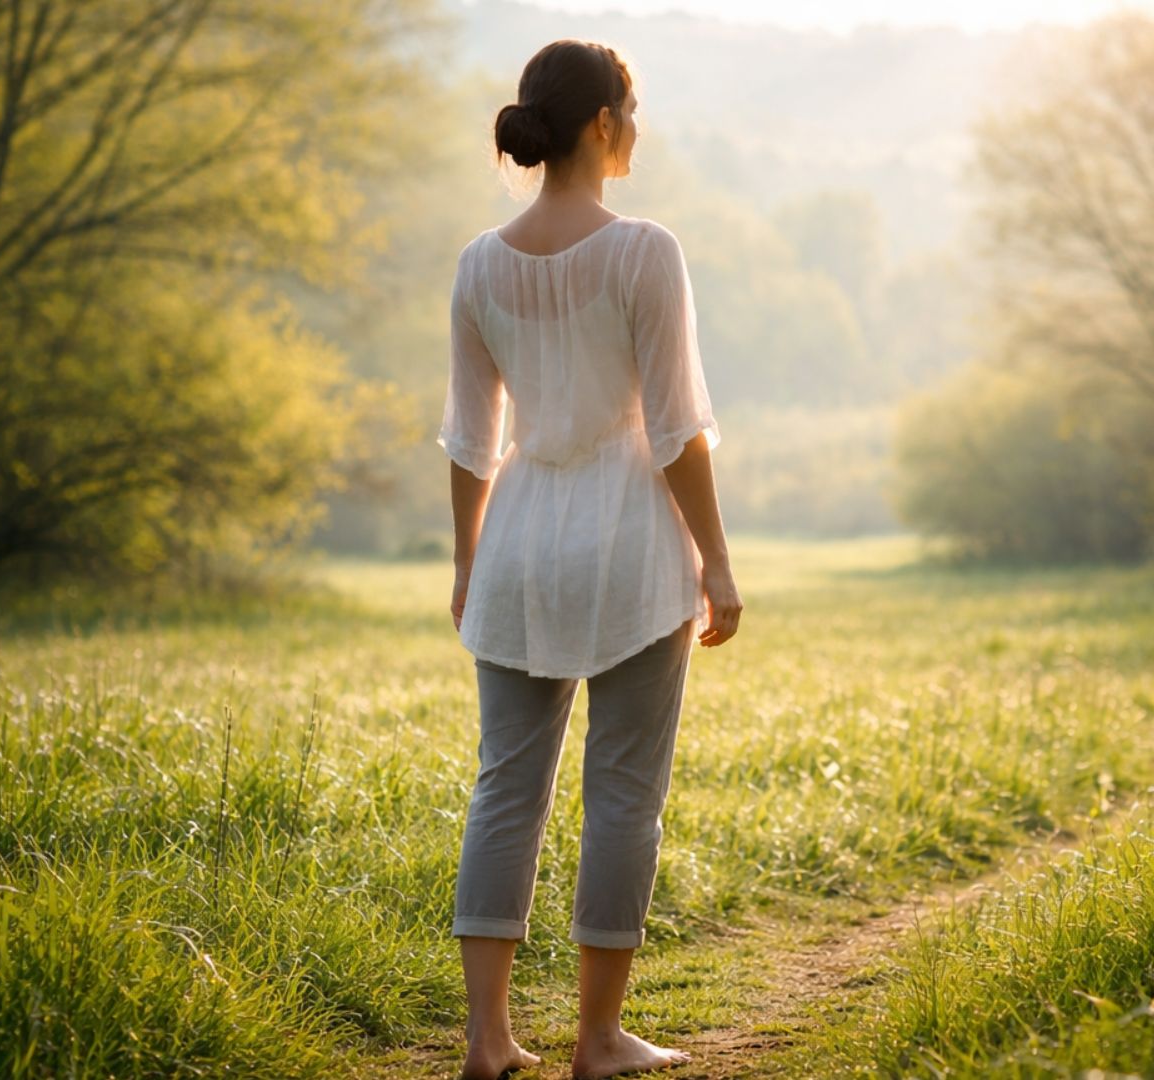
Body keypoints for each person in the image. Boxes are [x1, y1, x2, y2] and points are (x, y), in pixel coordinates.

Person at [437, 38, 744, 1080]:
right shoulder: (645, 249)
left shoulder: (480, 262)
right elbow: (673, 430)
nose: (639, 130)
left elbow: (471, 440)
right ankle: (599, 1040)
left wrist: (467, 563)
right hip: (628, 545)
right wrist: (718, 560)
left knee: (504, 790)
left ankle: (487, 1042)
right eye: (635, 110)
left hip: (520, 540)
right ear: (605, 122)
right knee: (621, 795)